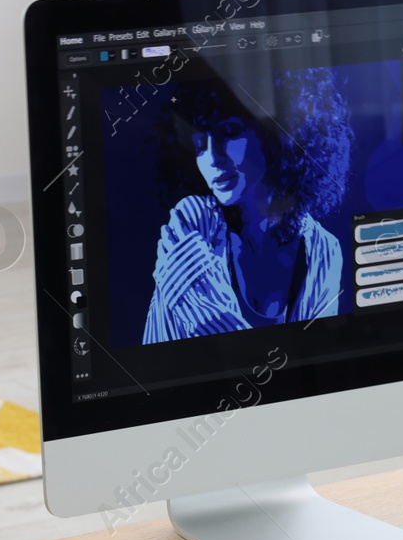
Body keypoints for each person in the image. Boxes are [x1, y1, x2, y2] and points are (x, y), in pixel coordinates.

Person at [143, 69, 351, 343]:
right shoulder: (193, 220)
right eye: (199, 145)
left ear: (277, 131)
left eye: (228, 132)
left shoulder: (325, 249)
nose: (212, 159)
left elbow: (316, 352)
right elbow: (217, 339)